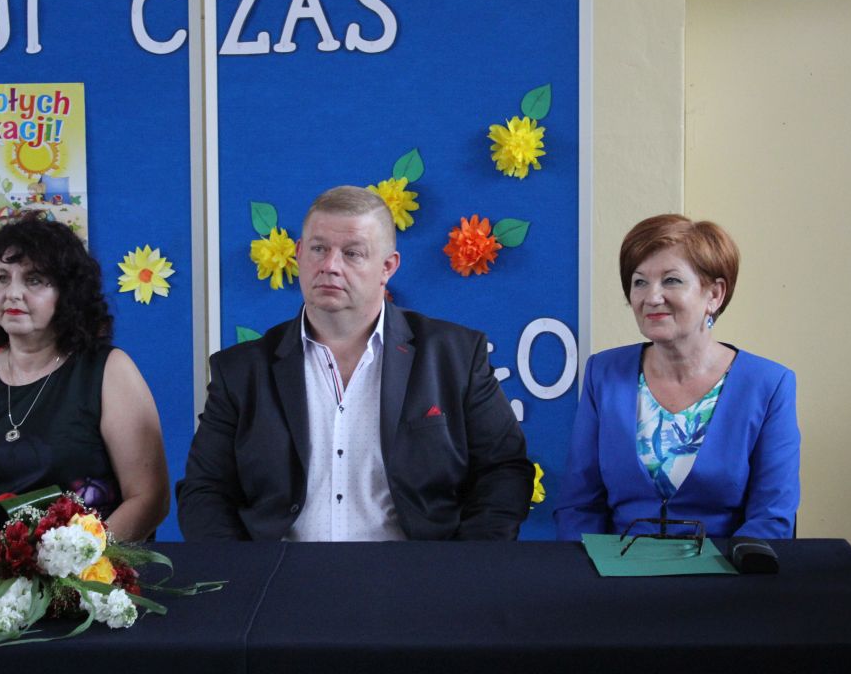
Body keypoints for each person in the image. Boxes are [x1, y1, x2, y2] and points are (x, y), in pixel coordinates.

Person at [177, 185, 532, 541]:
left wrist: (464, 565)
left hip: (417, 571)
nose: (330, 266)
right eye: (319, 249)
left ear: (387, 267)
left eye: (352, 253)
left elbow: (503, 470)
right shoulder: (240, 371)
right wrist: (242, 570)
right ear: (298, 254)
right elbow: (205, 489)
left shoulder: (455, 356)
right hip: (279, 571)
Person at [0, 213, 169, 541]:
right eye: (2, 278)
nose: (12, 293)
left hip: (92, 566)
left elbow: (149, 498)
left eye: (34, 280)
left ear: (68, 293)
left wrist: (82, 559)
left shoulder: (110, 370)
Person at [553, 214, 799, 541]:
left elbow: (772, 516)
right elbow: (578, 505)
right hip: (614, 568)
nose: (652, 297)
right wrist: (589, 566)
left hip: (726, 569)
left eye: (671, 280)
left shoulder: (768, 384)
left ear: (714, 295)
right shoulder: (604, 373)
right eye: (640, 282)